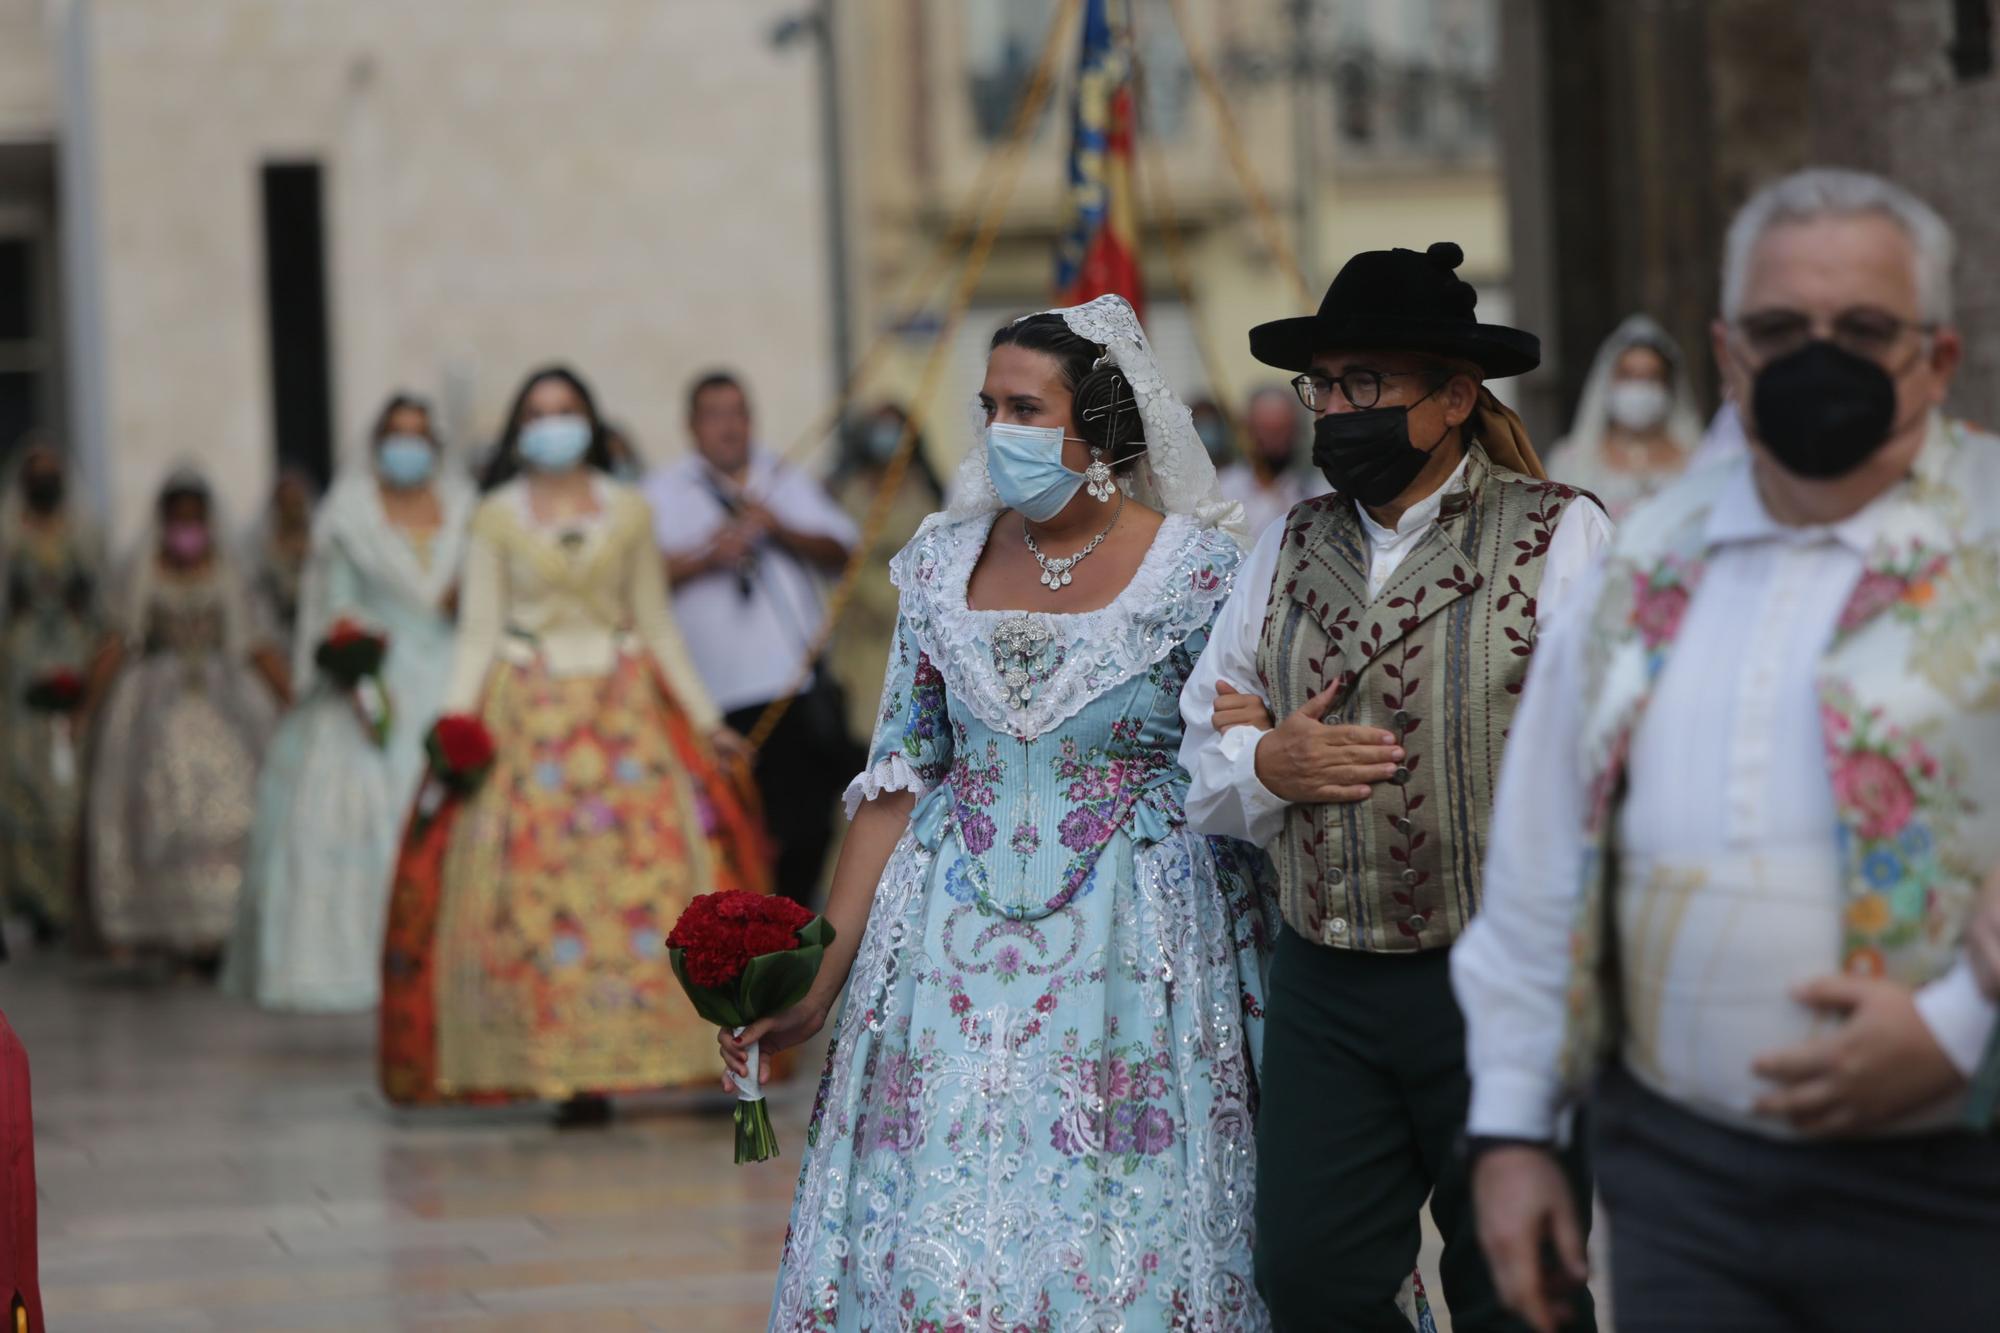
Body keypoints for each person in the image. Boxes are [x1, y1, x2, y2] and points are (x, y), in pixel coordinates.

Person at [1455, 168, 2000, 1332]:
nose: (1818, 355)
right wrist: (1510, 1129)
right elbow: (1543, 853)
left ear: (1936, 359)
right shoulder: (1638, 562)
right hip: (1680, 1185)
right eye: (1778, 329)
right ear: (1727, 352)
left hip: (1959, 1183)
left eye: (1862, 330)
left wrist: (1956, 1030)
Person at [730, 297, 1321, 1330]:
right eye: (986, 405)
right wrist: (820, 979)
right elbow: (896, 779)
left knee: (1125, 1237)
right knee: (936, 1233)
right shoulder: (938, 566)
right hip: (941, 956)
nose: (996, 428)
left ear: (1097, 421)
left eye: (1023, 406)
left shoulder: (1200, 572)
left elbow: (1235, 752)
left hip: (1142, 949)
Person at [1179, 242, 1612, 1331]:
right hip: (1328, 981)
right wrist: (1266, 763)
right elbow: (1203, 748)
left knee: (1517, 1280)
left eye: (1361, 383)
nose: (1332, 408)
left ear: (1455, 396)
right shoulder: (1282, 545)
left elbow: (1609, 751)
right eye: (1321, 385)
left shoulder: (1561, 533)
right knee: (1310, 1277)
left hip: (1497, 972)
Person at [377, 365, 769, 1123]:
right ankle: (565, 1070)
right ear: (521, 430)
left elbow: (656, 622)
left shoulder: (628, 510)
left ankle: (668, 1053)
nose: (553, 424)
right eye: (538, 412)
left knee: (653, 878)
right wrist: (455, 727)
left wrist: (705, 717)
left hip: (628, 718)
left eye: (565, 410)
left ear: (589, 420)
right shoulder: (494, 516)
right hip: (532, 721)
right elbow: (478, 633)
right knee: (538, 891)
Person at [225, 395, 475, 1012]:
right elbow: (331, 607)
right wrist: (356, 673)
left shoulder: (468, 512)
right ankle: (371, 962)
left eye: (419, 435)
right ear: (377, 443)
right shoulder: (348, 516)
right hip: (376, 681)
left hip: (455, 676)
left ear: (437, 449)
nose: (407, 447)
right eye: (396, 434)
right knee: (362, 810)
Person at [649, 371, 860, 907]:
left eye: (737, 413)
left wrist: (778, 525)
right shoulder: (663, 491)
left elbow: (844, 549)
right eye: (715, 415)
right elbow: (638, 582)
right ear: (692, 426)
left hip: (789, 684)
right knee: (735, 830)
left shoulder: (780, 476)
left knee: (807, 828)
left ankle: (792, 930)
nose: (729, 427)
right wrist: (705, 556)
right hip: (713, 697)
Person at [88, 468, 279, 971]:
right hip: (155, 704)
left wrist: (288, 697)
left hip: (223, 698)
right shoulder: (145, 573)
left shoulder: (226, 572)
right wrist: (86, 704)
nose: (188, 531)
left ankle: (224, 926)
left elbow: (252, 644)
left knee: (234, 802)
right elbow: (119, 641)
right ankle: (167, 927)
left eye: (197, 520)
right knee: (156, 807)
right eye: (180, 521)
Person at [0, 435, 110, 946]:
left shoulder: (81, 535)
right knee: (24, 782)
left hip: (70, 656)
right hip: (23, 666)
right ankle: (35, 897)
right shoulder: (10, 535)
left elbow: (98, 603)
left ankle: (71, 897)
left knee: (71, 784)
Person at [825, 403, 946, 741]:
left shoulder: (927, 488)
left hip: (914, 619)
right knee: (864, 726)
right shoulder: (847, 489)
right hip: (862, 628)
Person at [1542, 314, 1704, 519]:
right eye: (1628, 375)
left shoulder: (1699, 460)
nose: (1639, 387)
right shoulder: (1569, 462)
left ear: (1669, 387)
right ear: (1607, 383)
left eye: (1652, 377)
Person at [1214, 384, 1329, 540]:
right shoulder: (1222, 490)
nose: (1273, 442)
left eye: (1281, 431)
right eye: (1265, 431)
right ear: (1249, 430)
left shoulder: (1318, 493)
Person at [244, 467, 318, 683]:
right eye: (286, 502)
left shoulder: (320, 544)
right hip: (280, 643)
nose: (292, 509)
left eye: (297, 501)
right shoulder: (263, 552)